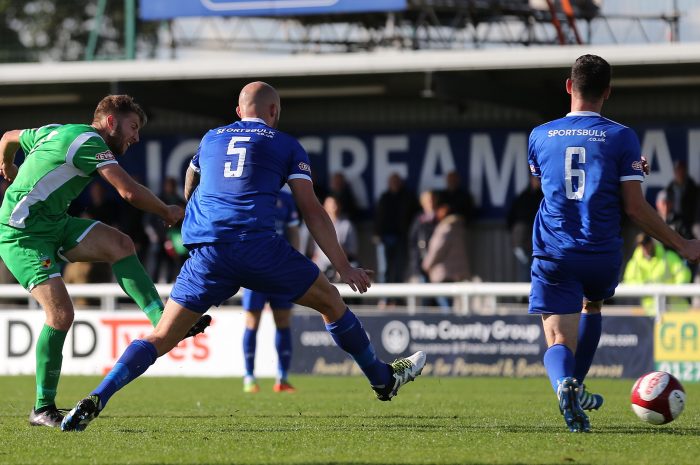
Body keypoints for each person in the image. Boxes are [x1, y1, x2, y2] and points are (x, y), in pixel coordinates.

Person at [61, 81, 426, 432]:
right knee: (331, 302)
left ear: (238, 111)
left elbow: (191, 180)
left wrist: (194, 210)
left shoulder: (211, 138)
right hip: (257, 246)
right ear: (273, 111)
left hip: (207, 252)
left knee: (160, 337)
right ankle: (382, 380)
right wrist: (343, 266)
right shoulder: (286, 144)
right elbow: (311, 210)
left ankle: (97, 396)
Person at [0, 95, 210, 428]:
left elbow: (8, 136)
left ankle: (161, 320)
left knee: (121, 244)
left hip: (54, 223)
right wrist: (167, 210)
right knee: (61, 315)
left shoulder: (57, 131)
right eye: (133, 127)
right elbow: (128, 191)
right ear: (111, 122)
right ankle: (42, 407)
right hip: (21, 233)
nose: (136, 137)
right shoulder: (89, 142)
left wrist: (7, 164)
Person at [527, 54, 700, 433]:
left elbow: (546, 184)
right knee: (592, 303)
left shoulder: (539, 135)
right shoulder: (622, 136)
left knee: (558, 337)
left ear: (569, 87)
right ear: (607, 92)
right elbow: (634, 207)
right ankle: (579, 385)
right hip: (601, 251)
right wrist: (681, 243)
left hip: (555, 249)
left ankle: (564, 384)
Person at [242, 186, 301, 394]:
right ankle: (249, 377)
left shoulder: (286, 198)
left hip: (281, 270)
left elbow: (293, 230)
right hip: (254, 270)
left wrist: (295, 261)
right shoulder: (250, 193)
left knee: (283, 321)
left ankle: (282, 378)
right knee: (252, 322)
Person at [623, 234, 691, 315]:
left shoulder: (668, 257)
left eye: (646, 244)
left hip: (676, 310)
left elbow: (683, 273)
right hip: (650, 312)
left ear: (651, 243)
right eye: (642, 245)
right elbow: (628, 281)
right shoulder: (634, 263)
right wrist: (644, 288)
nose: (645, 248)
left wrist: (674, 291)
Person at [507, 176, 543, 282]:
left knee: (538, 269)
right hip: (522, 243)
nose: (537, 182)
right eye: (535, 179)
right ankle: (524, 297)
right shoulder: (522, 197)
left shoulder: (544, 197)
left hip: (539, 242)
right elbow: (510, 219)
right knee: (525, 268)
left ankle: (535, 296)